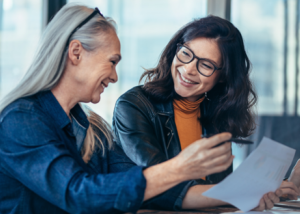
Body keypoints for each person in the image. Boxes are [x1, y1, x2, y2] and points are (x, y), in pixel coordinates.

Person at [0, 5, 235, 214]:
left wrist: (239, 196)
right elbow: (78, 194)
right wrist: (179, 167)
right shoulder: (20, 120)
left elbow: (149, 188)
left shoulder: (93, 131)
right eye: (112, 62)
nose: (114, 77)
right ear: (76, 53)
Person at [112, 15, 299, 210]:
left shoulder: (217, 117)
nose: (189, 69)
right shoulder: (134, 105)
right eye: (186, 53)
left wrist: (283, 187)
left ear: (222, 77)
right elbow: (158, 185)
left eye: (206, 65)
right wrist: (242, 194)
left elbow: (221, 193)